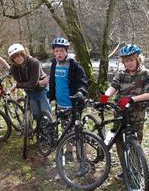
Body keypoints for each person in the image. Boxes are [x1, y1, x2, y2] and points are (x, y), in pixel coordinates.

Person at [100, 44, 149, 180]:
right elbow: (113, 87)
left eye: (131, 60)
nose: (129, 63)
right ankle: (125, 169)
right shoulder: (121, 74)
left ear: (138, 58)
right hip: (120, 114)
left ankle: (136, 169)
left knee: (135, 143)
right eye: (126, 61)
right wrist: (105, 96)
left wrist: (131, 99)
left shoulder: (145, 74)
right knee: (120, 143)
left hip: (137, 115)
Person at [48, 37, 89, 176]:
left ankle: (84, 161)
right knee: (65, 130)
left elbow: (83, 82)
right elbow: (53, 81)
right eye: (56, 51)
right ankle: (69, 152)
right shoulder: (54, 64)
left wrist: (80, 92)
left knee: (78, 134)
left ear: (67, 51)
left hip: (73, 105)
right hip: (60, 104)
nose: (59, 53)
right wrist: (50, 94)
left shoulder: (74, 65)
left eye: (62, 51)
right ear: (54, 52)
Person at [8, 43, 52, 124]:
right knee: (36, 115)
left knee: (45, 113)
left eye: (18, 55)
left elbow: (31, 83)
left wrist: (17, 85)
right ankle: (40, 132)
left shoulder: (34, 62)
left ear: (23, 53)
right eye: (14, 57)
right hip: (30, 91)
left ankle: (49, 132)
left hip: (41, 90)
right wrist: (38, 83)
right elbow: (23, 82)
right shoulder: (14, 67)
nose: (17, 59)